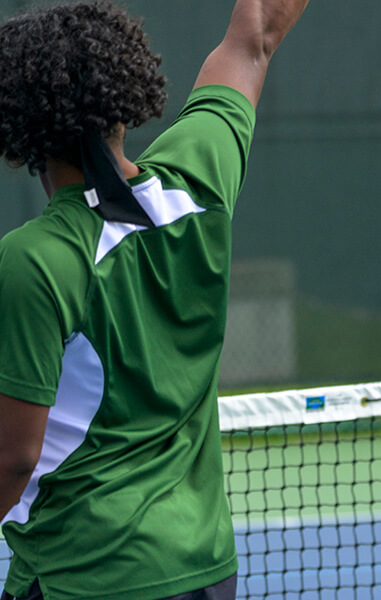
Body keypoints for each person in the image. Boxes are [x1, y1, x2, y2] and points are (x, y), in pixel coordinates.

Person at [0, 0, 312, 598]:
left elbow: (15, 456)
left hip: (87, 575)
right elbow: (257, 36)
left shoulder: (35, 257)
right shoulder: (199, 176)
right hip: (207, 569)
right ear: (126, 94)